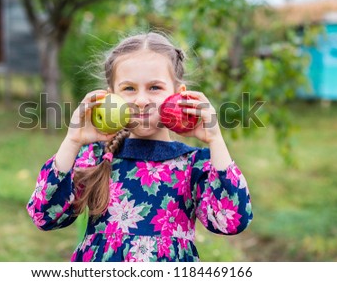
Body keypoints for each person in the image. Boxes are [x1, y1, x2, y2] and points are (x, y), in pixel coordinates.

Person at [26, 32, 253, 262]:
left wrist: (216, 140)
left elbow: (232, 221)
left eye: (154, 87)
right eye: (129, 89)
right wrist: (72, 141)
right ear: (110, 96)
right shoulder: (96, 156)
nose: (141, 100)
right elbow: (45, 216)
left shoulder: (193, 164)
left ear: (179, 95)